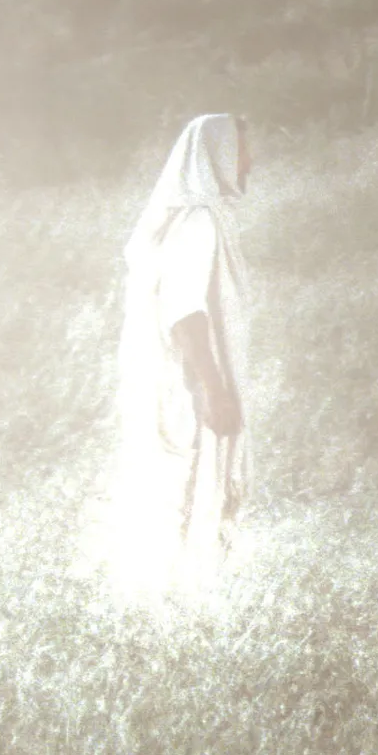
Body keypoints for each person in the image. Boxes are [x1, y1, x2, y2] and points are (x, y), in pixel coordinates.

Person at [102, 113, 250, 600]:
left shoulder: (184, 219)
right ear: (217, 156)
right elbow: (185, 313)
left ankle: (169, 604)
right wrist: (215, 390)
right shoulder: (197, 221)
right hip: (187, 386)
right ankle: (176, 606)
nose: (250, 162)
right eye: (241, 150)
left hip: (174, 381)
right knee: (186, 491)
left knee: (174, 494)